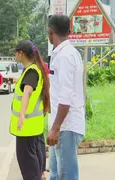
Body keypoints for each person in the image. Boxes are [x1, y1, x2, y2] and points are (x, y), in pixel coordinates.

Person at [47, 14, 85, 180]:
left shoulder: (65, 57)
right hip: (61, 125)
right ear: (69, 31)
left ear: (50, 33)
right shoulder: (66, 53)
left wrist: (55, 128)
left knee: (67, 176)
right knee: (55, 174)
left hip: (65, 127)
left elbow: (66, 97)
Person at [9, 40, 51, 180]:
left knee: (28, 165)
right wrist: (14, 81)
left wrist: (21, 115)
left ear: (20, 54)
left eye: (16, 52)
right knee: (34, 161)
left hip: (26, 128)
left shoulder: (32, 71)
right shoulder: (33, 69)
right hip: (33, 127)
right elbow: (26, 87)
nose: (15, 55)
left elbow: (27, 91)